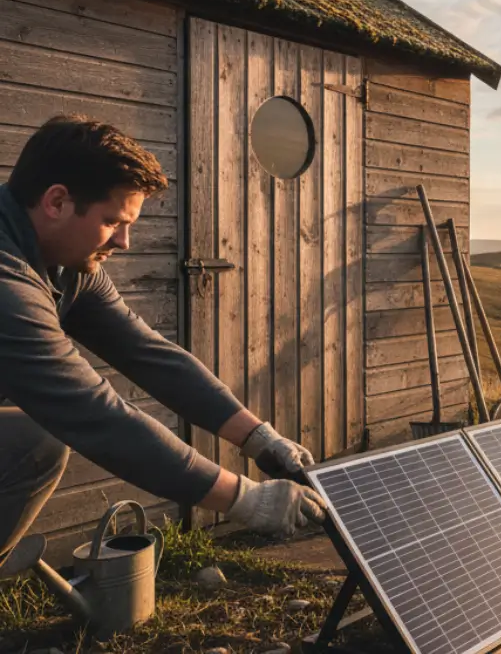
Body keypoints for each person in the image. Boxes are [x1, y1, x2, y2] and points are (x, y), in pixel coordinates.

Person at [0, 115, 325, 571]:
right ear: (56, 201)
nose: (126, 241)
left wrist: (258, 437)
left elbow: (150, 355)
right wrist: (245, 499)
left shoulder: (67, 266)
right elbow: (93, 414)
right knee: (34, 442)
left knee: (32, 444)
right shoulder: (6, 282)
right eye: (113, 221)